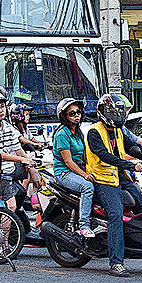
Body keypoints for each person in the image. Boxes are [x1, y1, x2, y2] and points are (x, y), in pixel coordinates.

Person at [86, 93, 142, 277]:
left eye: (119, 111)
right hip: (104, 180)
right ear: (103, 112)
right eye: (112, 111)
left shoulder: (118, 131)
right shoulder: (95, 132)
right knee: (115, 215)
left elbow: (135, 148)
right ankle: (116, 262)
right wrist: (130, 164)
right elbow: (104, 156)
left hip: (122, 177)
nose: (117, 115)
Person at [52, 99, 95, 238]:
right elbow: (68, 162)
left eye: (78, 112)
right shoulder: (62, 134)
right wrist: (85, 175)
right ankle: (84, 225)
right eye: (72, 113)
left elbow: (84, 156)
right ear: (64, 116)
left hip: (78, 169)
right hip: (64, 172)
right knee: (87, 187)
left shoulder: (78, 132)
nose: (77, 115)